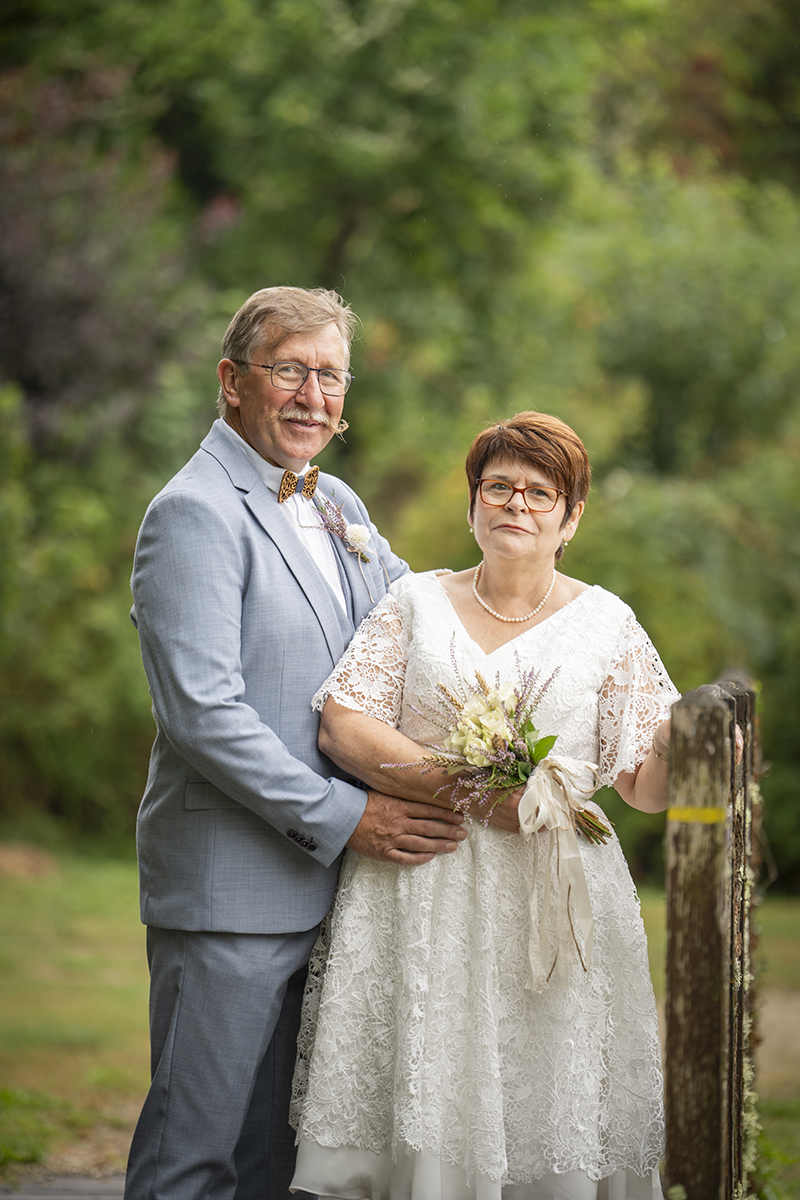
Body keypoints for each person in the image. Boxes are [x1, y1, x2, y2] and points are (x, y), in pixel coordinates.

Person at [124, 286, 468, 1200]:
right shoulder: (193, 513)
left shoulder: (338, 503)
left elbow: (421, 625)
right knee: (190, 1159)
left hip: (333, 901)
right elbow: (204, 714)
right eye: (291, 370)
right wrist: (348, 815)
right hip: (228, 890)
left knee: (277, 1167)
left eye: (331, 375)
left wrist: (539, 625)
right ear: (233, 381)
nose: (313, 395)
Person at [289, 411, 680, 1200]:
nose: (517, 504)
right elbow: (344, 724)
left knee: (546, 1093)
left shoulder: (609, 624)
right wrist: (475, 787)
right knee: (427, 1093)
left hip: (553, 893)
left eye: (541, 493)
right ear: (472, 505)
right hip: (424, 892)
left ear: (572, 518)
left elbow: (644, 784)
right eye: (498, 487)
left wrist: (693, 740)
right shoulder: (414, 602)